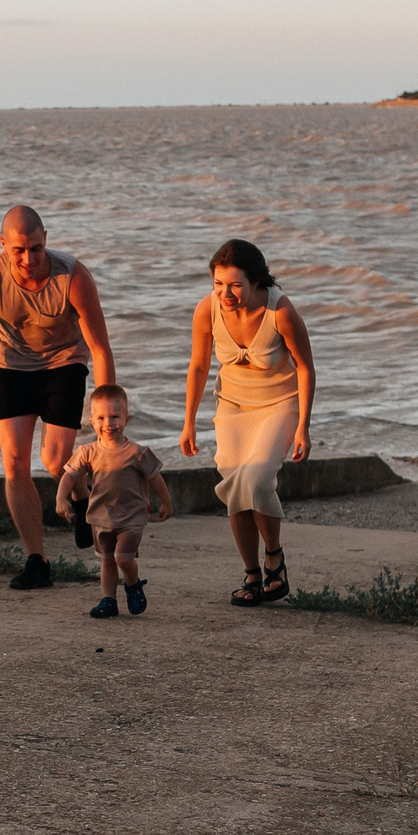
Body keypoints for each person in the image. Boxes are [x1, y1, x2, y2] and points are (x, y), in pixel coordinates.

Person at [0, 205, 118, 590]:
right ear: (3, 245)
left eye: (36, 248)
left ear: (46, 240)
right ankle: (37, 561)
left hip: (63, 365)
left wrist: (106, 417)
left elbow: (100, 349)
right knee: (15, 463)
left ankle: (78, 494)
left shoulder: (73, 276)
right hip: (9, 369)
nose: (28, 259)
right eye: (18, 251)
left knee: (56, 460)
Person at [178, 238, 315, 606]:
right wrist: (189, 421)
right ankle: (252, 573)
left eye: (235, 285)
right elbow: (198, 366)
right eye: (218, 284)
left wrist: (303, 425)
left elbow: (305, 367)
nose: (226, 293)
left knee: (256, 480)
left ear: (256, 282)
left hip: (279, 405)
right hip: (232, 408)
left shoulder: (280, 312)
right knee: (235, 489)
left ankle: (274, 556)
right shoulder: (206, 311)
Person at [57, 384, 173, 618]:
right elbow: (69, 475)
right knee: (107, 560)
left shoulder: (137, 452)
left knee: (123, 557)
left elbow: (155, 478)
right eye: (101, 417)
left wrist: (166, 502)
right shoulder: (87, 452)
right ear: (92, 421)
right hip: (101, 517)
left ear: (127, 419)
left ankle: (132, 582)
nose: (108, 423)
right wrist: (61, 498)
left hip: (132, 516)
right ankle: (109, 600)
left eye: (115, 416)